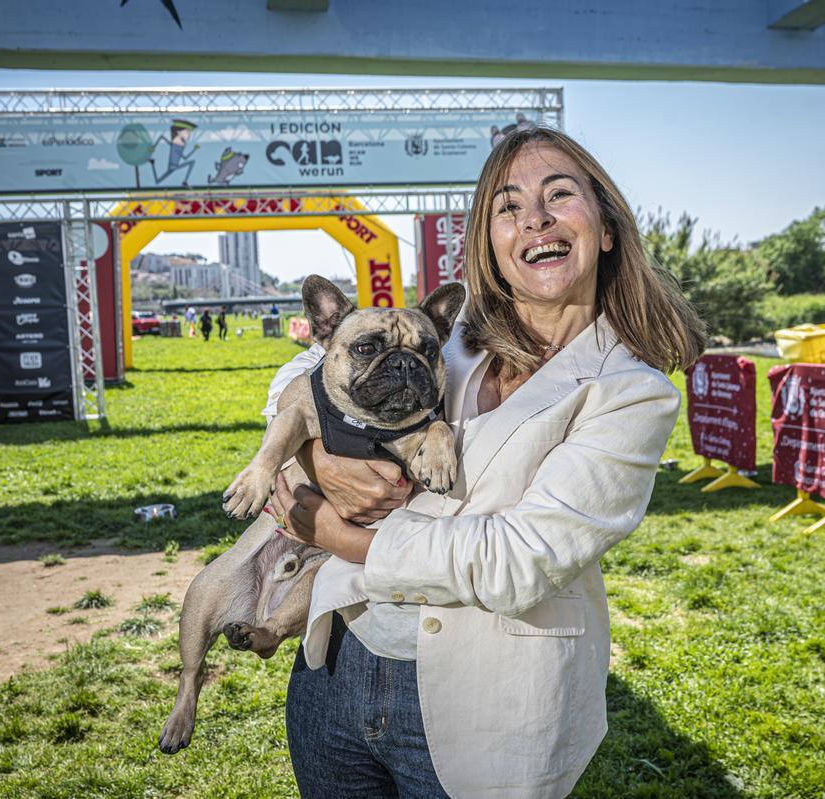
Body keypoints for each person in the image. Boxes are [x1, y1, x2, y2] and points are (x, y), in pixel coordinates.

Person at [270, 126, 705, 798]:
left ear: (608, 228)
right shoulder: (450, 330)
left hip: (487, 702)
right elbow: (297, 378)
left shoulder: (630, 391)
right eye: (509, 206)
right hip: (339, 664)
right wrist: (316, 456)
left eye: (559, 194)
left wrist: (334, 533)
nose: (535, 217)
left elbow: (517, 559)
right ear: (493, 243)